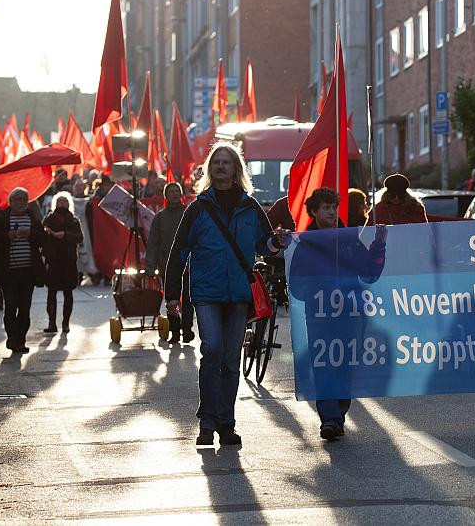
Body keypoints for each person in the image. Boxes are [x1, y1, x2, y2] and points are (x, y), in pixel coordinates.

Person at [165, 143, 289, 447]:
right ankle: (206, 424)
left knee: (231, 359)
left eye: (227, 162)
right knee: (213, 351)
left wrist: (278, 241)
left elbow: (265, 245)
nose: (221, 167)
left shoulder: (251, 206)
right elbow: (178, 253)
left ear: (236, 169)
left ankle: (226, 423)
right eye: (216, 162)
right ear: (210, 169)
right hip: (206, 293)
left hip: (238, 294)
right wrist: (171, 295)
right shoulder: (198, 208)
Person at [290, 187, 387, 441]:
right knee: (324, 363)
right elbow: (296, 287)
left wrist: (379, 245)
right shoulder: (305, 245)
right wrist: (317, 288)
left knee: (345, 364)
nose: (331, 212)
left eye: (334, 207)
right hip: (320, 315)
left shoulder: (349, 240)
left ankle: (339, 414)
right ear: (314, 212)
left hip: (350, 313)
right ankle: (329, 418)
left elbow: (369, 273)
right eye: (325, 207)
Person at [0, 187, 47, 354]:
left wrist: (31, 234)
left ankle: (21, 340)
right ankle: (12, 338)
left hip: (28, 272)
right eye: (18, 199)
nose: (21, 203)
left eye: (24, 200)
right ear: (11, 202)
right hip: (8, 273)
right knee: (11, 306)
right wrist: (6, 236)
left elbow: (43, 239)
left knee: (25, 308)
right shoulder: (1, 218)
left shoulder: (33, 219)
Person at [146, 182, 194, 343]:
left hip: (189, 266)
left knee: (189, 299)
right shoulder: (160, 218)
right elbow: (153, 244)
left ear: (181, 194)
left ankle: (187, 329)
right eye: (171, 191)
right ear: (166, 196)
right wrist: (150, 267)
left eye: (177, 191)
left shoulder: (188, 214)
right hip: (167, 266)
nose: (174, 194)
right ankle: (174, 331)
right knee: (171, 300)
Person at [42, 191, 83, 334]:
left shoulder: (74, 220)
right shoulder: (48, 219)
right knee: (51, 292)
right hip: (53, 260)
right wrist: (47, 234)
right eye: (59, 201)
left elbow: (80, 237)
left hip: (69, 260)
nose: (62, 203)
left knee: (68, 293)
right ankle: (51, 322)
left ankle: (66, 322)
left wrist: (65, 235)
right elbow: (41, 239)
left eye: (65, 201)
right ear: (55, 203)